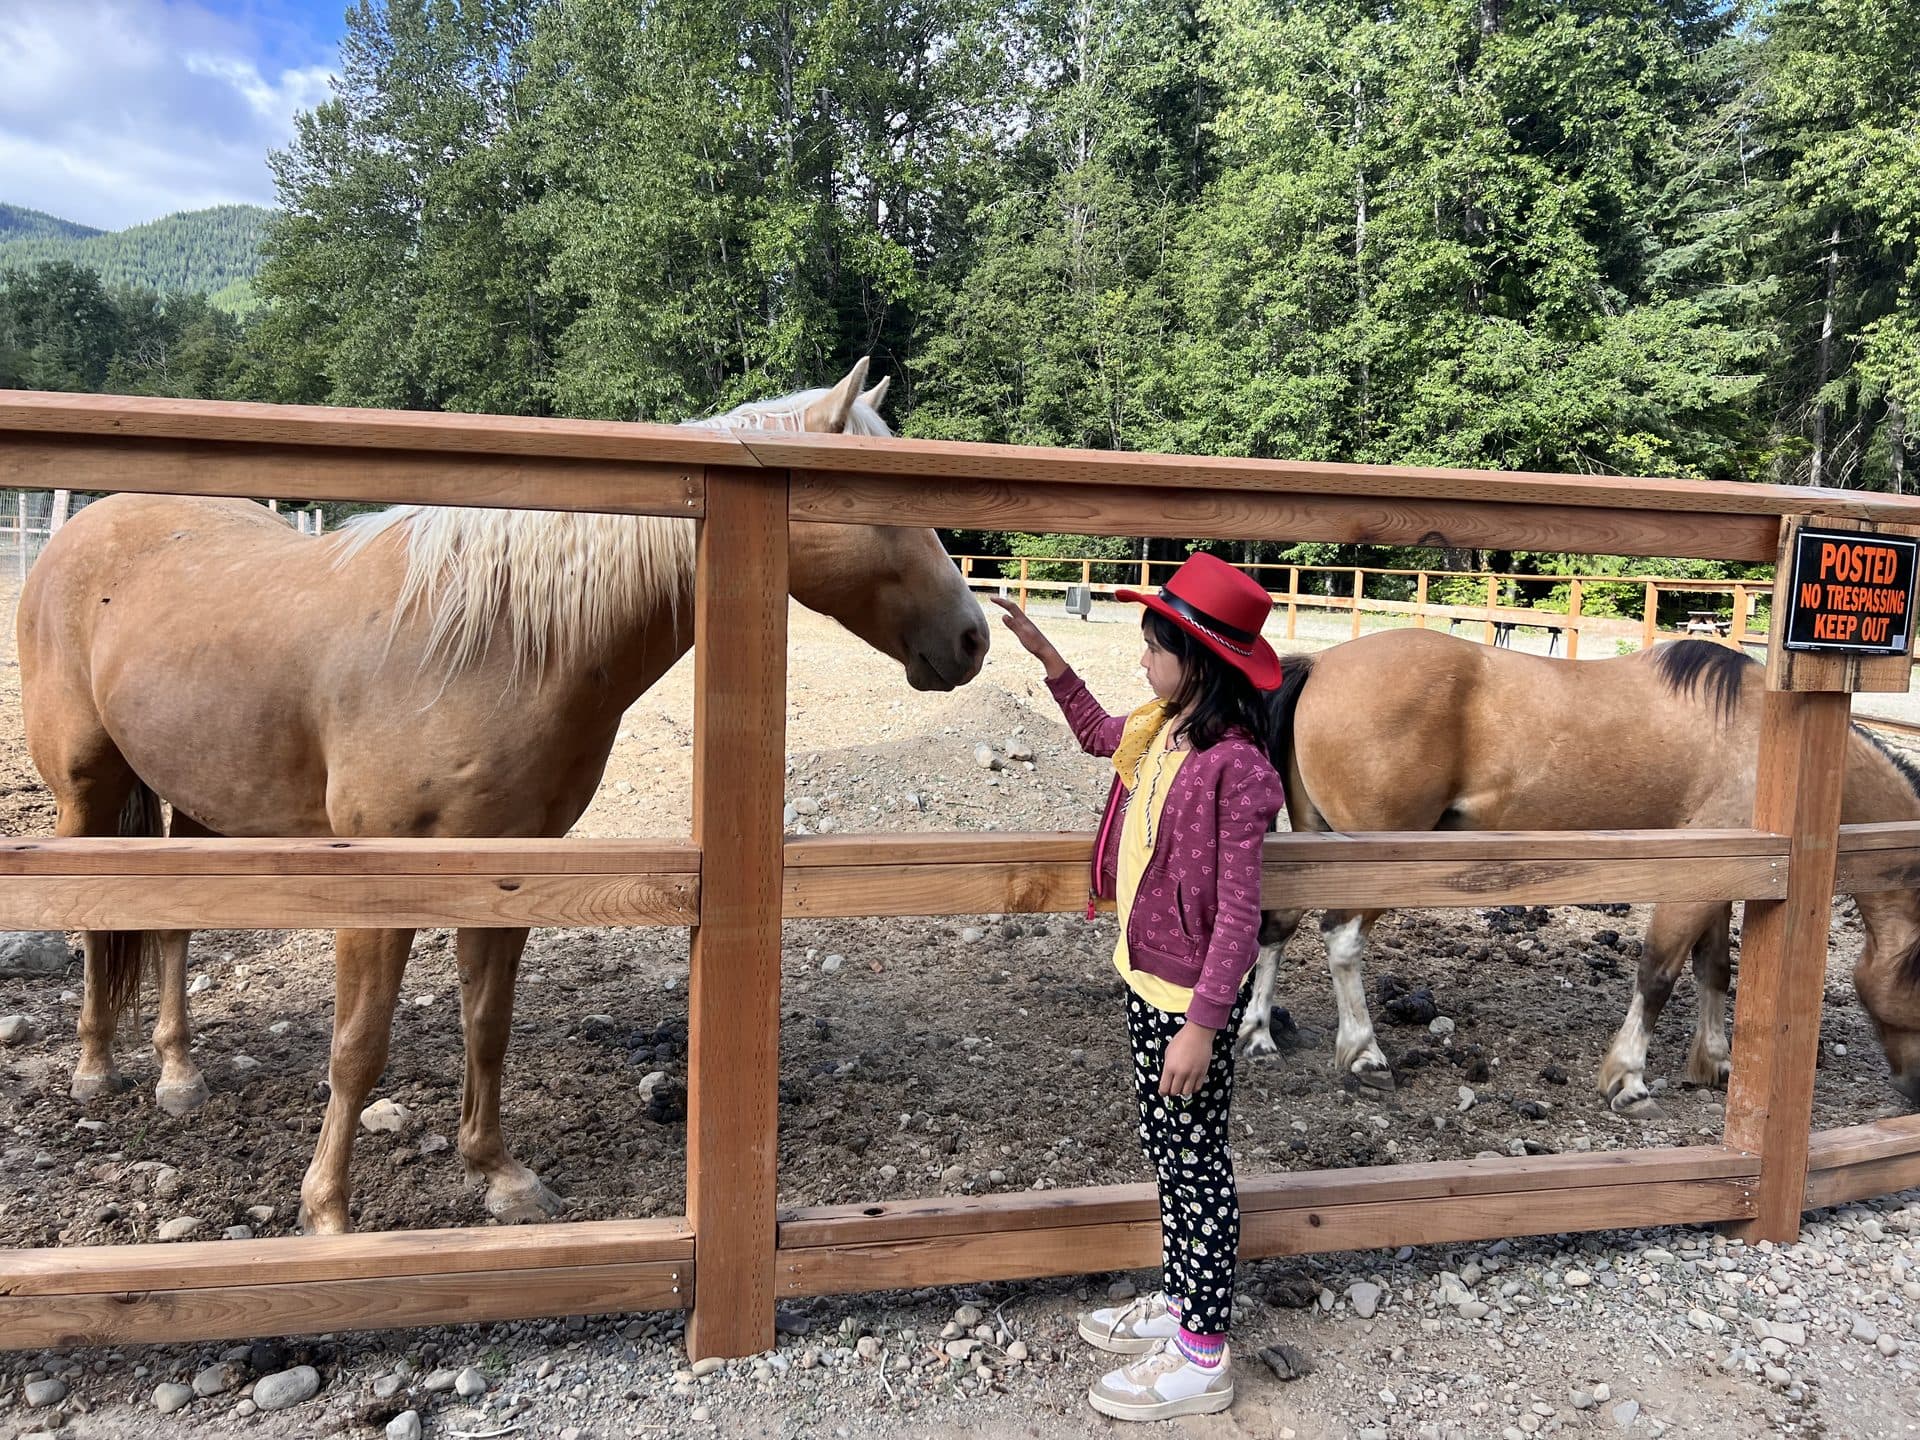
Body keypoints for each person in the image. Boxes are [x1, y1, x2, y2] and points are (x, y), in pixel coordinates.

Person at [989, 551, 1286, 1422]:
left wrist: (1203, 1024)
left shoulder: (1237, 767)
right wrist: (1049, 658)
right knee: (1168, 1152)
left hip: (1185, 1002)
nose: (1143, 661)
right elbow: (1095, 731)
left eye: (1154, 647)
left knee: (1197, 1164)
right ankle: (1180, 1302)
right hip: (1144, 980)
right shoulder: (1163, 728)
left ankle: (1202, 1354)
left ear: (1197, 659)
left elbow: (1239, 915)